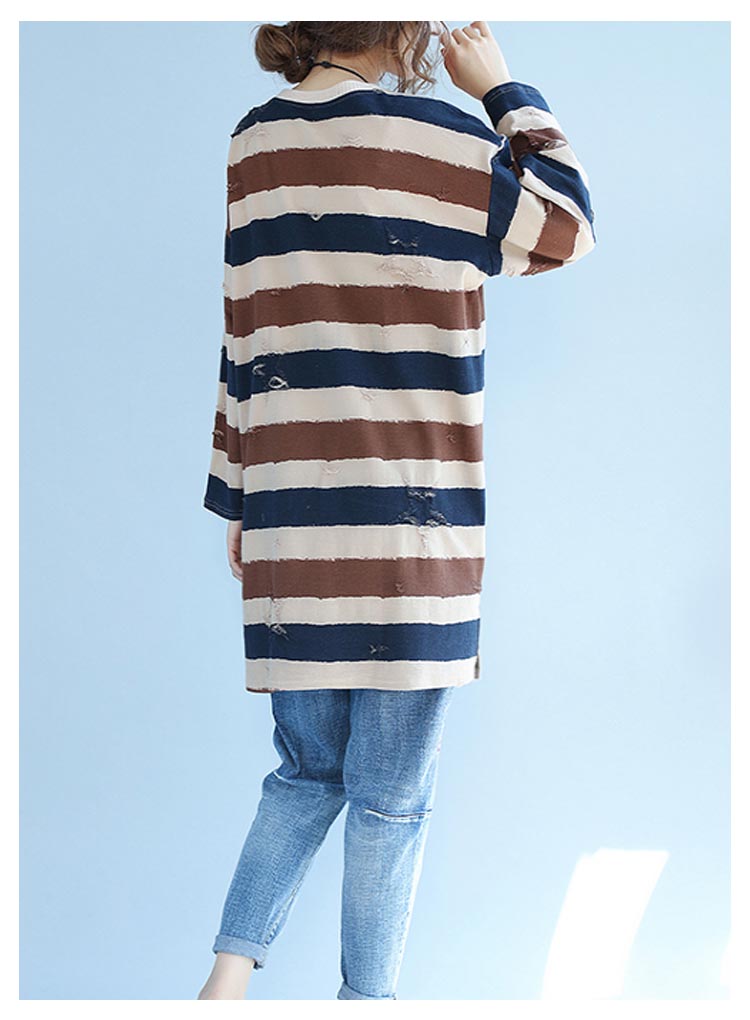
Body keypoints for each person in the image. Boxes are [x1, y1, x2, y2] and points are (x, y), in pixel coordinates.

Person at [198, 20, 596, 1001]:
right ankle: (366, 1005)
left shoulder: (254, 140)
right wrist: (502, 89)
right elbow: (568, 228)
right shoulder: (443, 140)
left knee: (305, 773)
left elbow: (242, 327)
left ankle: (225, 980)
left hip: (291, 518)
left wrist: (238, 494)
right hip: (416, 529)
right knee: (392, 800)